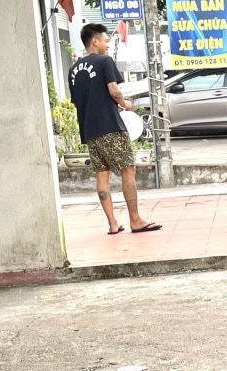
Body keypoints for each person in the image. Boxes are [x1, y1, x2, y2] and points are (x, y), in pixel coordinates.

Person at [67, 23, 161, 235]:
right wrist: (124, 103)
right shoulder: (104, 61)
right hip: (110, 126)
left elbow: (76, 102)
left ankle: (112, 224)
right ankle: (135, 220)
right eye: (106, 41)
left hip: (90, 130)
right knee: (128, 170)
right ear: (95, 41)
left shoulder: (73, 70)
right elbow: (113, 89)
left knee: (102, 176)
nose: (107, 45)